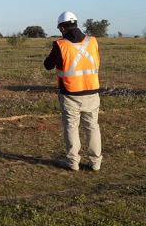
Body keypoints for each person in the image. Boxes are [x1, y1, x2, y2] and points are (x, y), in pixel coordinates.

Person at [44, 11, 102, 172]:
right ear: (76, 23)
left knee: (71, 127)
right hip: (92, 91)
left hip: (70, 93)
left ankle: (73, 162)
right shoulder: (93, 41)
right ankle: (95, 162)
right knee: (92, 127)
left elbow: (48, 65)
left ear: (62, 28)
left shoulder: (60, 45)